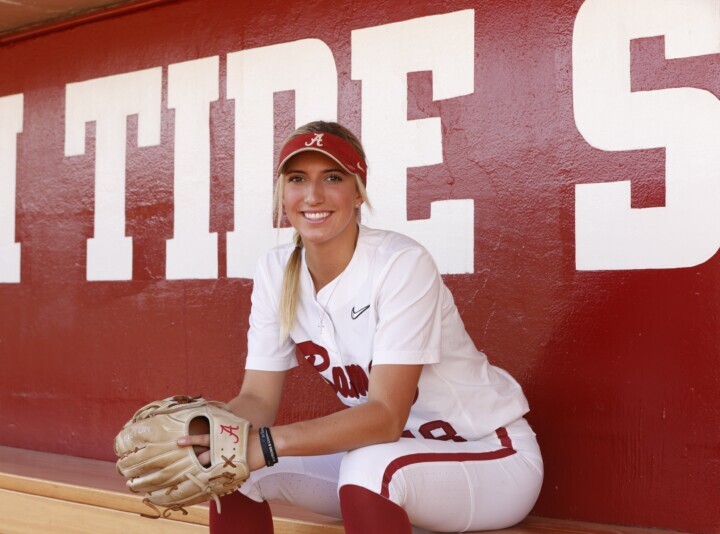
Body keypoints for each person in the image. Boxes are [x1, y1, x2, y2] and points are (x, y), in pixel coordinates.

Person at [179, 121, 543, 533]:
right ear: (283, 194)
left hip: (488, 456)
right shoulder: (275, 270)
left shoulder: (399, 263)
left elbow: (385, 416)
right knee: (233, 470)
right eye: (298, 179)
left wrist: (264, 444)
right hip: (389, 455)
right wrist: (206, 435)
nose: (313, 195)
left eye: (332, 178)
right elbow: (257, 399)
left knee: (368, 465)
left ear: (357, 192)